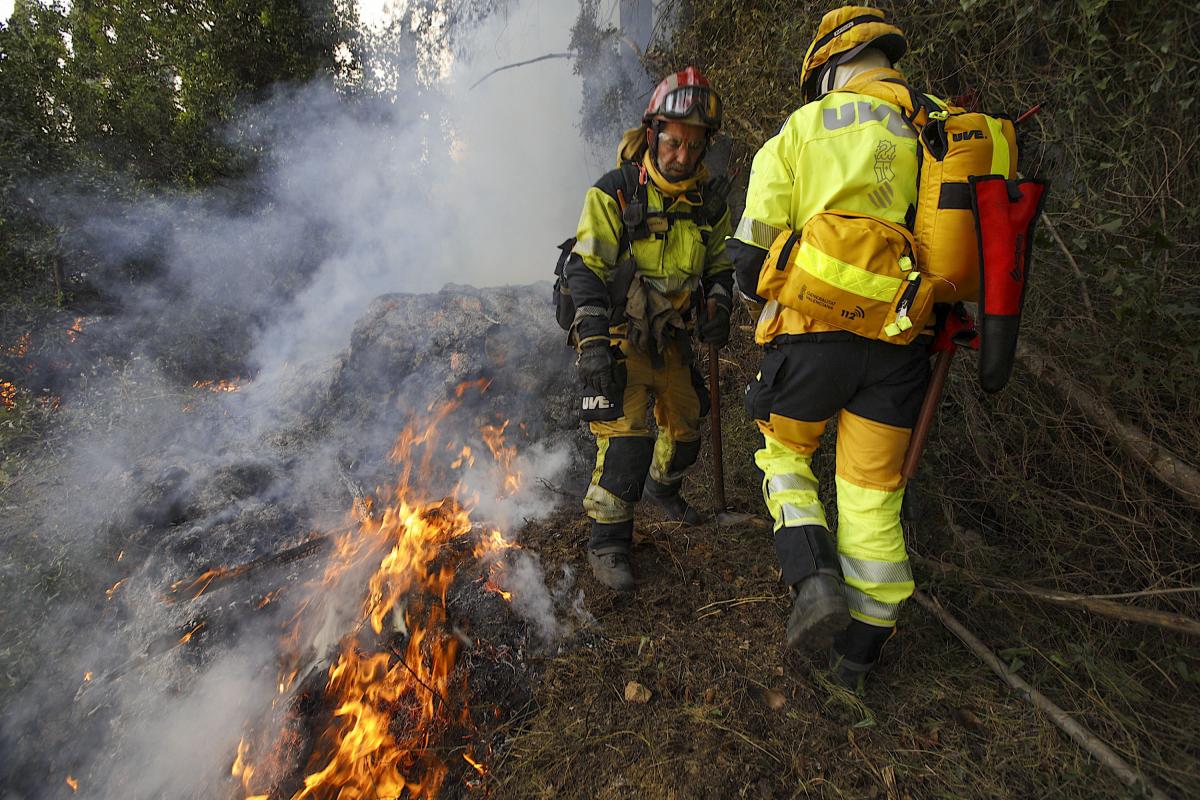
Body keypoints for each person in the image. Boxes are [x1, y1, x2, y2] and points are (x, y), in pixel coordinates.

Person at [729, 6, 937, 687]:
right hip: (900, 348)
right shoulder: (933, 129)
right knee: (871, 494)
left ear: (827, 68)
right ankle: (860, 654)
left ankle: (814, 579)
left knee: (784, 454)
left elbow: (748, 259)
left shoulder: (799, 130)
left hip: (812, 342)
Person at [564, 67, 735, 592]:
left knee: (687, 432)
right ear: (652, 134)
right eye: (673, 142)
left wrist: (718, 307)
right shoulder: (615, 194)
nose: (682, 155)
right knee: (627, 445)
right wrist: (594, 343)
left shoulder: (708, 204)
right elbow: (585, 269)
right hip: (620, 338)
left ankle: (664, 491)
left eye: (694, 145)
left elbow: (719, 267)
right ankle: (608, 542)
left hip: (673, 339)